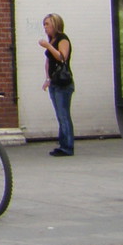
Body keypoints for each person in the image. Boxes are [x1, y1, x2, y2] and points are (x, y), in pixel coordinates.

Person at [39, 13, 75, 156]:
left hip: (63, 83)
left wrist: (48, 45)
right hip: (54, 81)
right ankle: (62, 143)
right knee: (60, 115)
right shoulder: (52, 40)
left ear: (55, 24)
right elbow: (48, 61)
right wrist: (47, 78)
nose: (45, 28)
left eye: (47, 24)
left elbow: (61, 57)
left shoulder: (62, 39)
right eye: (44, 25)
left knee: (64, 114)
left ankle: (68, 146)